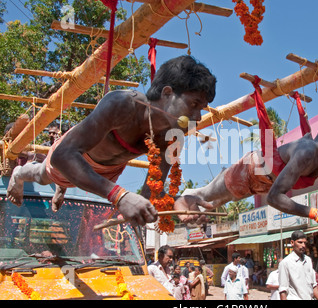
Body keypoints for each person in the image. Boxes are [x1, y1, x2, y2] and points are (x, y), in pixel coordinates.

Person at [6, 55, 216, 225]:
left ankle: (64, 186)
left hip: (108, 173)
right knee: (42, 175)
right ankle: (20, 173)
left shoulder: (174, 137)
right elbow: (63, 156)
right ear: (168, 93)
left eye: (202, 109)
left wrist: (177, 202)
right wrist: (118, 195)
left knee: (63, 181)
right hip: (72, 157)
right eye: (194, 104)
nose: (197, 117)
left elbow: (151, 192)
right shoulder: (123, 103)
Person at [182, 116, 318, 231]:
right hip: (248, 171)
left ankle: (186, 201)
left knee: (209, 206)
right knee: (204, 197)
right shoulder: (309, 152)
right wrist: (316, 214)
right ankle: (181, 197)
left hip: (260, 185)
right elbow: (274, 198)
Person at [278, 231, 318, 300]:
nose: (303, 245)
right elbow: (283, 290)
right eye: (300, 242)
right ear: (292, 243)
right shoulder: (285, 263)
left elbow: (314, 285)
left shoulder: (308, 260)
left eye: (305, 243)